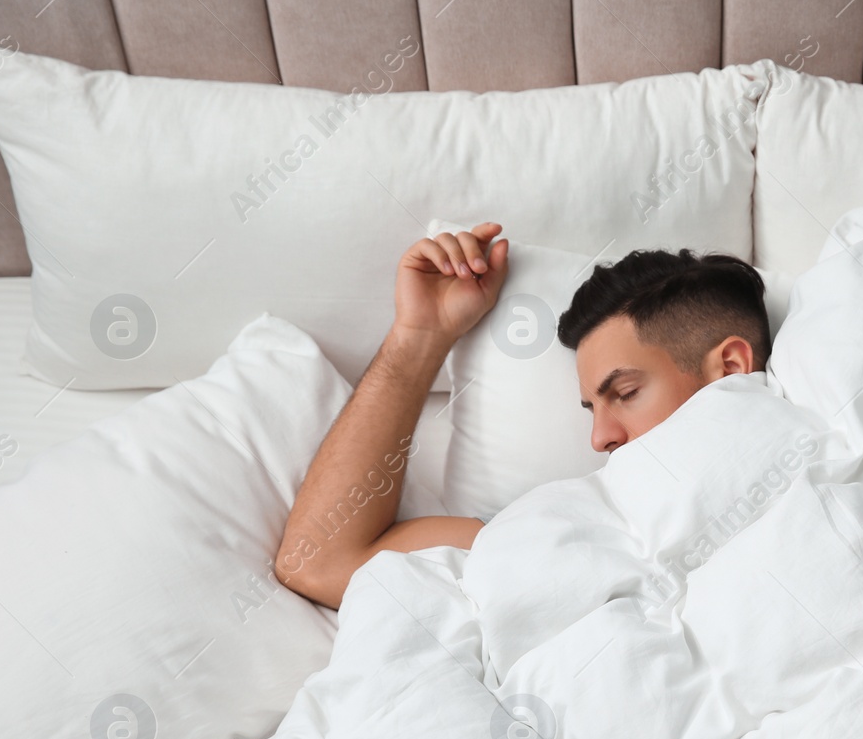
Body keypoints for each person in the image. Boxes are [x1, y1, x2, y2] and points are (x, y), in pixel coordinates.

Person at [276, 222, 775, 608]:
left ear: (730, 367)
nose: (599, 438)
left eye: (625, 392)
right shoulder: (575, 526)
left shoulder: (830, 465)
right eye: (591, 409)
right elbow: (318, 563)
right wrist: (420, 336)